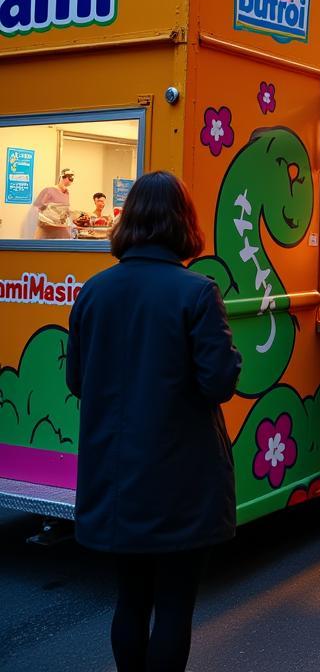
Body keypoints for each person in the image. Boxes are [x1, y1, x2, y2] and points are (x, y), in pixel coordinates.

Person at [66, 171, 241, 672]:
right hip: (181, 475)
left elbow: (78, 380)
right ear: (183, 222)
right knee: (174, 606)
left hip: (116, 474)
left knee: (131, 599)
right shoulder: (196, 292)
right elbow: (219, 383)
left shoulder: (94, 292)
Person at [32, 167, 74, 238]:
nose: (71, 180)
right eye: (69, 178)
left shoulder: (66, 193)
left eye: (72, 179)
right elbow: (37, 208)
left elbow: (64, 210)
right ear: (62, 177)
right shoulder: (49, 190)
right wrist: (52, 215)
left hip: (62, 232)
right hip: (47, 231)